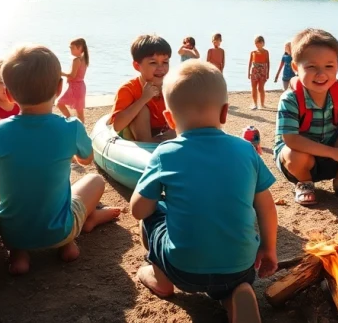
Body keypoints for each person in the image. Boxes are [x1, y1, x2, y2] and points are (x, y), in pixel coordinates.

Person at [131, 61, 277, 322]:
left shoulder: (165, 153)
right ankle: (235, 295)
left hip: (183, 271)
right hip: (241, 268)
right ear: (225, 113)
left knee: (154, 217)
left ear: (169, 118)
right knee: (230, 280)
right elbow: (266, 206)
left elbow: (138, 210)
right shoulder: (246, 151)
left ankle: (160, 279)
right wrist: (269, 248)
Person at [0, 45, 121, 275]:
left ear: (10, 95)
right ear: (59, 87)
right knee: (94, 181)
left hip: (12, 233)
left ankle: (20, 255)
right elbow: (86, 160)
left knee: (19, 206)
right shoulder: (70, 127)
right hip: (59, 231)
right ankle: (68, 243)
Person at [274, 29, 338, 206]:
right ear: (295, 67)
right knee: (294, 155)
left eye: (329, 66)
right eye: (311, 67)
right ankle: (305, 183)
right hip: (300, 160)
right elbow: (291, 139)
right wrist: (334, 152)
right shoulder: (290, 99)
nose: (321, 74)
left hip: (333, 156)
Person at [110, 35, 175, 142]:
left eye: (165, 62)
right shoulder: (128, 89)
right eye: (153, 63)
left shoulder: (172, 86)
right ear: (137, 66)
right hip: (139, 137)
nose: (161, 68)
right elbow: (117, 126)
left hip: (166, 133)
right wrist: (143, 99)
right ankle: (148, 144)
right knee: (142, 109)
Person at [56, 38, 90, 124]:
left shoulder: (76, 60)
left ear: (80, 48)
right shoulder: (84, 59)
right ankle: (81, 130)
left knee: (59, 103)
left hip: (75, 87)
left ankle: (70, 120)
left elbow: (72, 75)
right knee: (80, 112)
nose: (70, 49)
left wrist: (60, 73)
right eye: (70, 47)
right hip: (81, 86)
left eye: (72, 48)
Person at [247, 36, 270, 110]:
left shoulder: (266, 52)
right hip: (254, 71)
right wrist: (248, 72)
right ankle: (255, 104)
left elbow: (268, 63)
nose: (258, 45)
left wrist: (267, 73)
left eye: (260, 43)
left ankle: (262, 104)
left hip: (263, 71)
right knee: (253, 87)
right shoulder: (253, 52)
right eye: (256, 43)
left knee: (260, 88)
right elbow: (250, 63)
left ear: (263, 43)